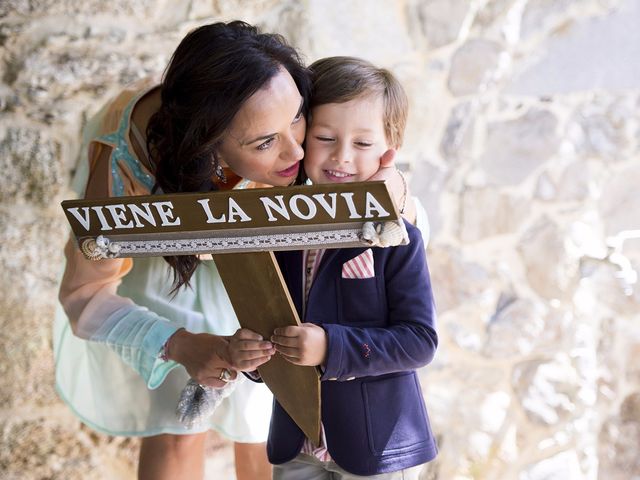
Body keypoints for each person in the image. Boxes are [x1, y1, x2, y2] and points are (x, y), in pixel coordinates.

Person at [54, 23, 425, 480]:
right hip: (173, 255)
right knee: (179, 421)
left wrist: (391, 188)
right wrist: (181, 344)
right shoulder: (123, 177)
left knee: (264, 419)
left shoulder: (285, 117)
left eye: (296, 116)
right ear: (210, 150)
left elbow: (364, 141)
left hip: (270, 254)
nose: (298, 149)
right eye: (265, 142)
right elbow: (83, 297)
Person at [237, 56, 438, 479]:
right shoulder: (278, 233)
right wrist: (254, 356)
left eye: (362, 145)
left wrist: (332, 348)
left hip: (374, 446)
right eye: (325, 137)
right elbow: (274, 322)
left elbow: (419, 341)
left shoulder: (397, 237)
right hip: (296, 441)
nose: (341, 157)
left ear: (388, 153)